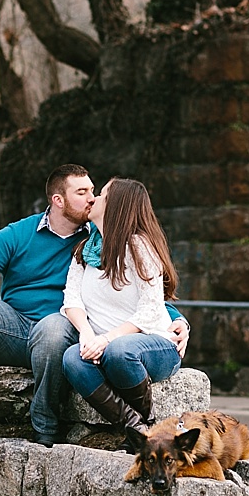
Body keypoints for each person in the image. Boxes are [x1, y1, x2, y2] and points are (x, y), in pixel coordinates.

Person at [0, 164, 190, 446]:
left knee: (52, 328)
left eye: (94, 191)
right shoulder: (20, 233)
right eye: (82, 192)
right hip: (18, 328)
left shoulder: (97, 237)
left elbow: (143, 291)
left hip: (64, 329)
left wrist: (177, 320)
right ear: (58, 200)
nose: (92, 198)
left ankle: (45, 424)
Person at [60, 177, 182, 448]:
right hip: (107, 344)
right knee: (72, 358)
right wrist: (88, 334)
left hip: (154, 344)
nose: (94, 199)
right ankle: (135, 428)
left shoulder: (138, 246)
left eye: (101, 195)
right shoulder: (85, 250)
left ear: (116, 205)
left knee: (120, 351)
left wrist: (106, 339)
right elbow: (71, 299)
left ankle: (149, 419)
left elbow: (151, 309)